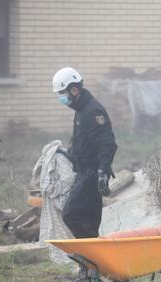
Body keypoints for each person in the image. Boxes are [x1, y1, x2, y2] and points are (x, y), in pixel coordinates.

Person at [52, 67, 117, 238]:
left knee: (71, 215)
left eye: (62, 92)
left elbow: (107, 144)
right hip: (84, 171)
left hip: (91, 174)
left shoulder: (92, 111)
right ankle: (92, 262)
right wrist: (67, 153)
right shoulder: (81, 109)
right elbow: (84, 142)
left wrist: (103, 172)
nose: (61, 97)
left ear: (74, 89)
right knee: (88, 219)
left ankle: (93, 256)